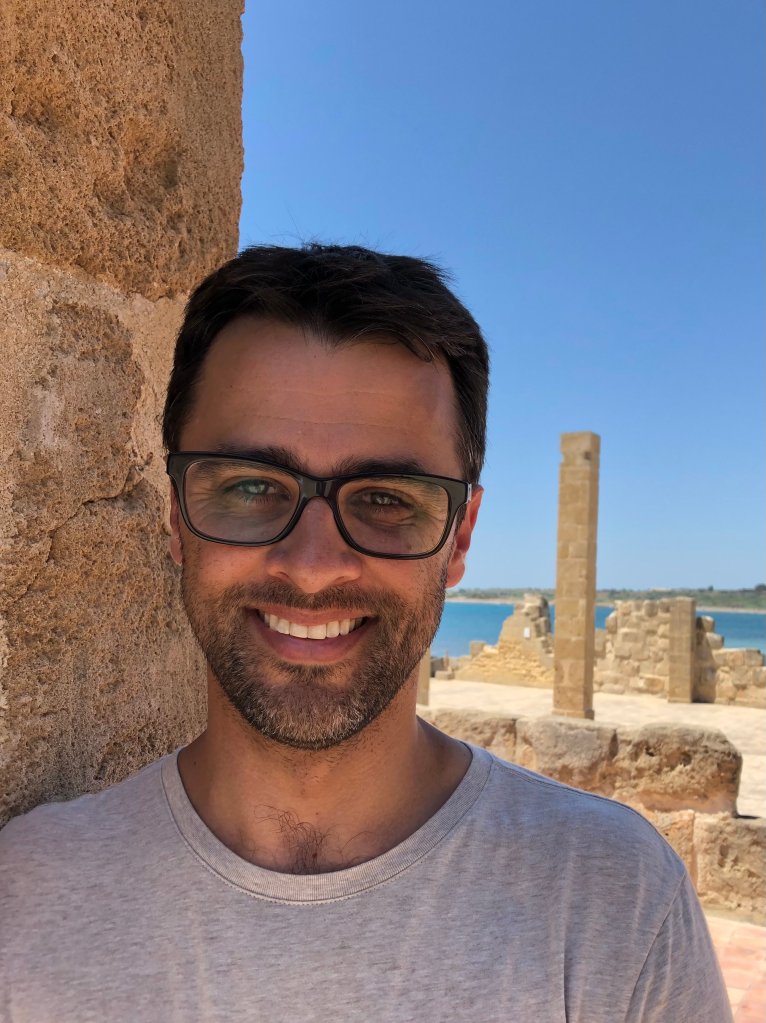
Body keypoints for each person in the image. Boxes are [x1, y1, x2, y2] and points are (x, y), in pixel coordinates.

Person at [0, 244, 731, 1022]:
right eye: (251, 486)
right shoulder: (27, 898)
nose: (314, 567)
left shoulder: (613, 907)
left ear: (459, 536)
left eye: (385, 499)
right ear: (178, 515)